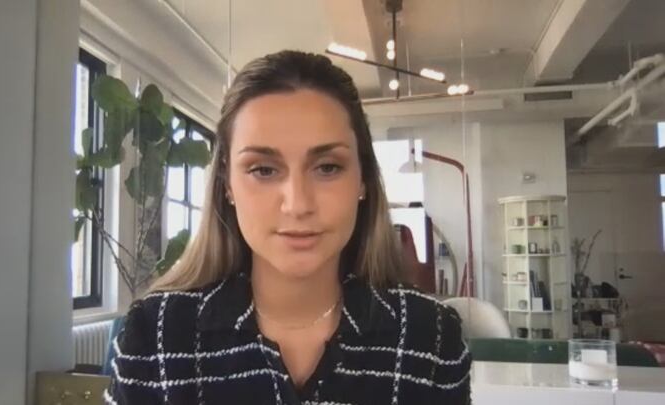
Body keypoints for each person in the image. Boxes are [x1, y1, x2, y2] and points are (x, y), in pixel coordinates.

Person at [105, 50, 471, 405]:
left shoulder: (431, 338)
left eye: (327, 167)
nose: (297, 204)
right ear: (227, 186)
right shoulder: (155, 336)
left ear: (363, 181)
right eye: (263, 169)